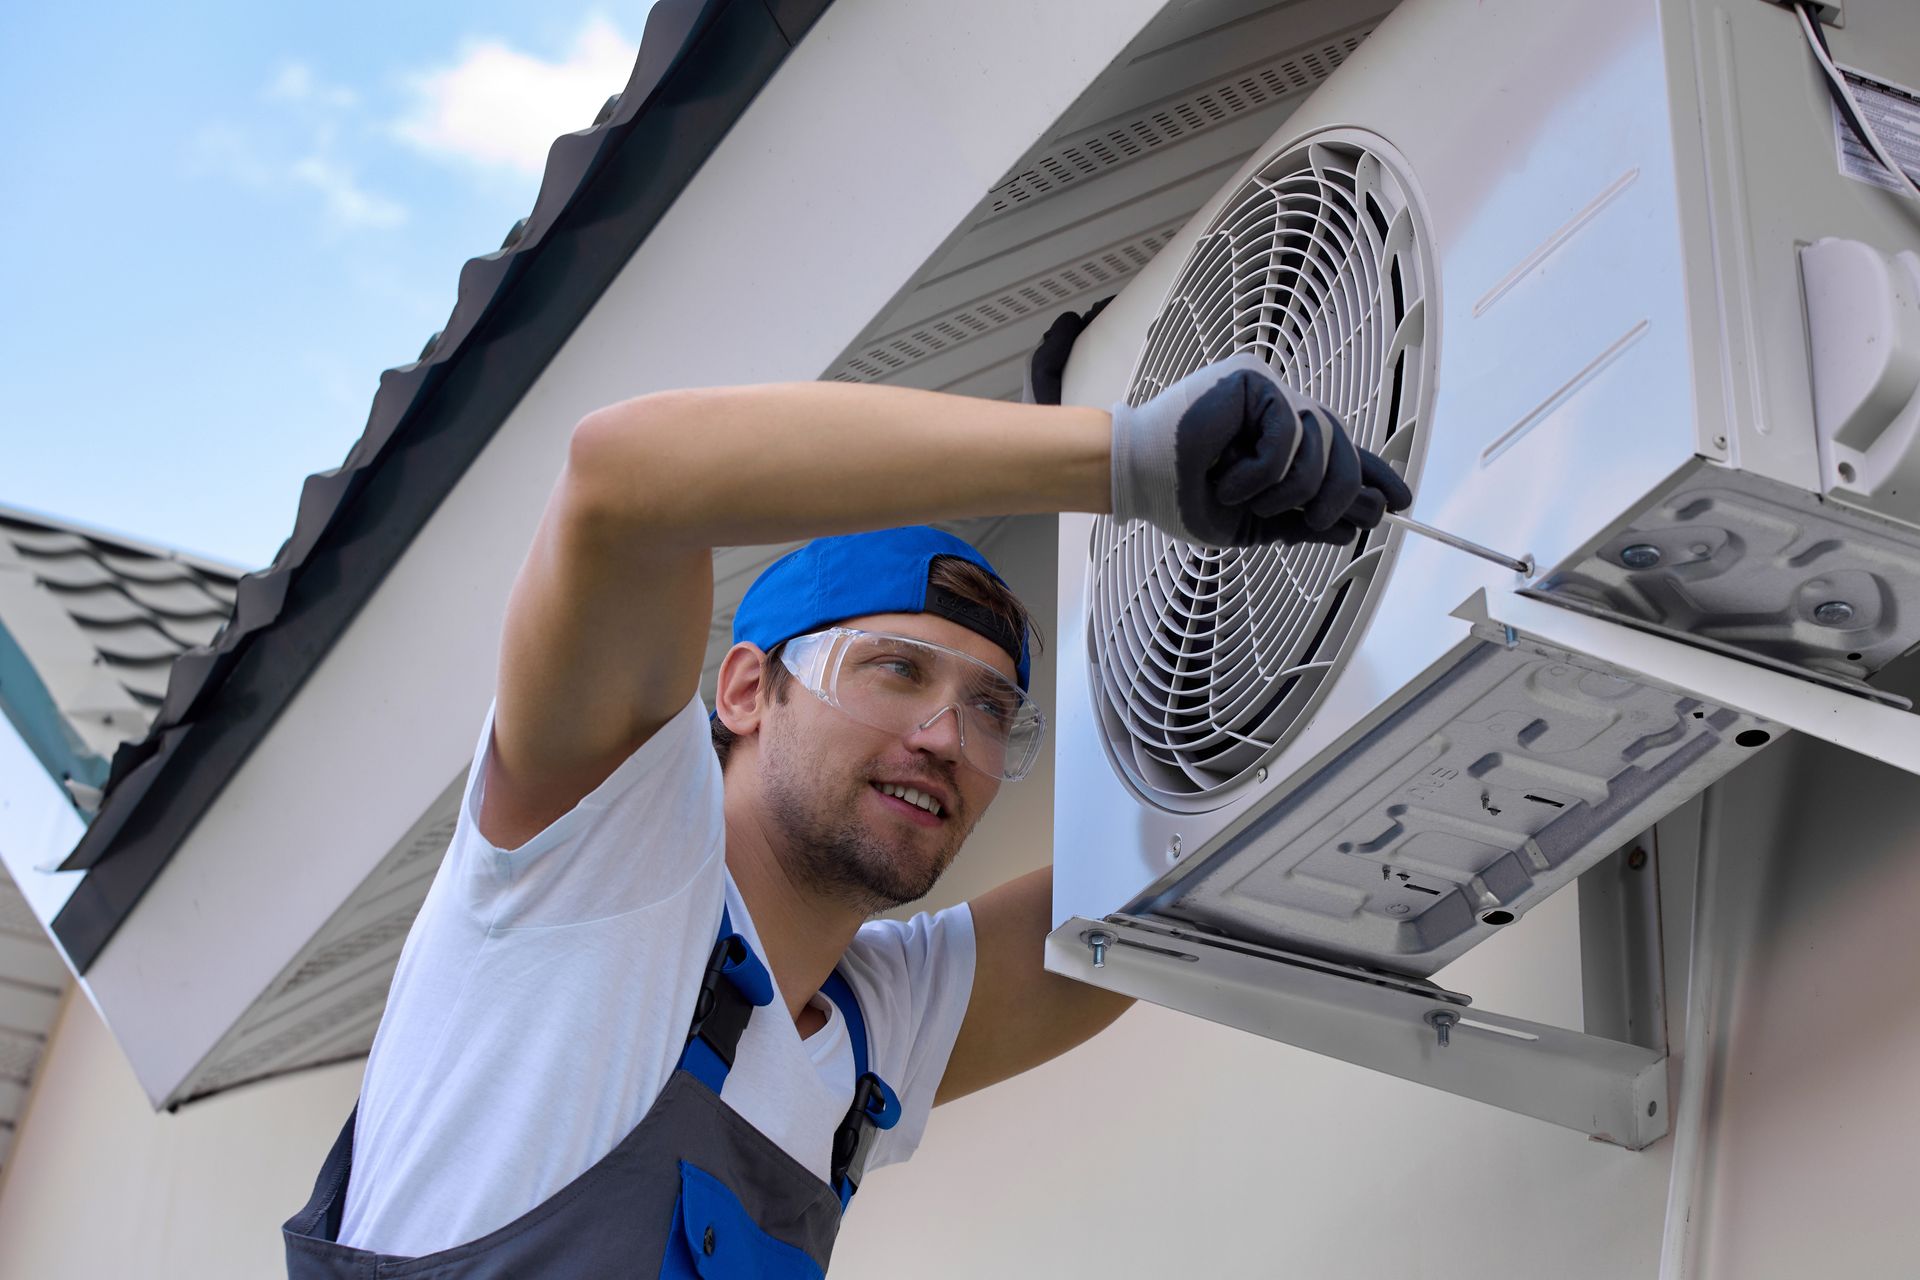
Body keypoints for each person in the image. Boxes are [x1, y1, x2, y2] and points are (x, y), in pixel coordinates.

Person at [281, 310, 1412, 1277]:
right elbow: (621, 476)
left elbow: (1199, 885)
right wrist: (1119, 462)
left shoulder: (874, 1027)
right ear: (744, 688)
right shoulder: (599, 856)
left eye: (987, 710)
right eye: (895, 670)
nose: (944, 737)